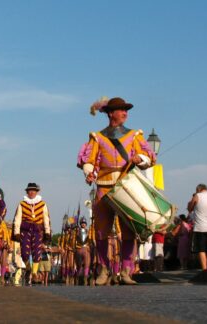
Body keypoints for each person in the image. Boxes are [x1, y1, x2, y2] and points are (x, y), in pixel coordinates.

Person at [77, 97, 156, 285]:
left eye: (126, 110)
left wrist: (140, 159)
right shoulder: (98, 137)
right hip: (103, 188)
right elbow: (88, 160)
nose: (125, 113)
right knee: (102, 232)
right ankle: (104, 270)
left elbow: (149, 157)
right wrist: (89, 173)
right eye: (121, 110)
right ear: (111, 113)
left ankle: (126, 271)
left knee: (129, 231)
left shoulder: (134, 135)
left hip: (126, 188)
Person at [12, 183, 51, 285]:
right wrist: (16, 233)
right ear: (27, 192)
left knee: (37, 252)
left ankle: (34, 273)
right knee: (25, 253)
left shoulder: (42, 204)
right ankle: (28, 268)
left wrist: (47, 232)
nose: (32, 192)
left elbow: (46, 218)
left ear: (37, 192)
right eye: (30, 190)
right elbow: (17, 218)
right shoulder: (22, 204)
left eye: (34, 190)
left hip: (38, 231)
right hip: (25, 230)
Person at [75, 218, 95, 285]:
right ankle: (79, 276)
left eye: (84, 223)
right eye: (82, 223)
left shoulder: (88, 231)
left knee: (87, 263)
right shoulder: (77, 231)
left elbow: (91, 239)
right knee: (79, 264)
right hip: (79, 248)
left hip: (86, 248)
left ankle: (86, 277)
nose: (83, 224)